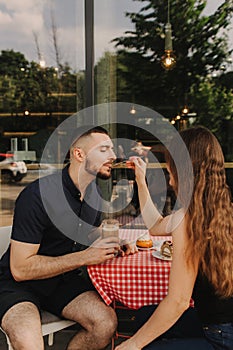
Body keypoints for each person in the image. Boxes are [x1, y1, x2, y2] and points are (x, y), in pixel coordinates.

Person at [0, 125, 134, 350]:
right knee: (27, 340)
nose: (113, 156)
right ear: (79, 154)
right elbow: (20, 269)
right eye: (104, 149)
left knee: (105, 323)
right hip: (17, 286)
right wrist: (85, 257)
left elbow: (84, 231)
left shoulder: (94, 193)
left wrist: (110, 239)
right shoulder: (36, 196)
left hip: (60, 281)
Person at [115, 126, 233, 350]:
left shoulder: (187, 220)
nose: (170, 182)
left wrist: (133, 345)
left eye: (171, 173)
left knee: (145, 344)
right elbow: (156, 226)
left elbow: (178, 301)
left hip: (221, 334)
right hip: (219, 322)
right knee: (142, 318)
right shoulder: (222, 208)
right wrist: (141, 181)